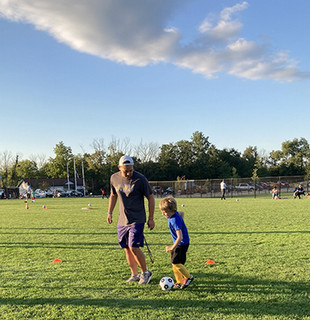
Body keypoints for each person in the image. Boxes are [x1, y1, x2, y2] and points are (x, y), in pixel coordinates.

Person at [107, 155, 155, 285]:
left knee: (133, 246)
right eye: (125, 170)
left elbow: (150, 197)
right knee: (126, 248)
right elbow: (113, 195)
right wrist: (110, 212)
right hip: (122, 220)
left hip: (137, 219)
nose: (128, 173)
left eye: (131, 170)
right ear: (119, 168)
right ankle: (134, 274)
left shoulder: (140, 179)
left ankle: (145, 273)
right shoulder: (114, 178)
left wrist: (151, 218)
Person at [159, 196, 194, 289]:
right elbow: (182, 213)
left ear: (172, 210)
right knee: (174, 263)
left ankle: (189, 277)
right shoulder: (175, 215)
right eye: (162, 212)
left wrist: (172, 247)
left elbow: (180, 237)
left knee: (176, 262)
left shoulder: (174, 220)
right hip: (179, 243)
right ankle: (179, 281)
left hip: (181, 244)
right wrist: (181, 219)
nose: (164, 214)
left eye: (166, 212)